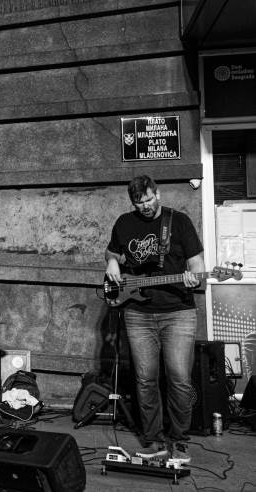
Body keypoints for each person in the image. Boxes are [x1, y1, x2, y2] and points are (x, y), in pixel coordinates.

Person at [105, 175, 204, 463]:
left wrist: (192, 278)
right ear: (132, 201)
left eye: (149, 199)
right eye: (139, 202)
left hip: (178, 312)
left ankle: (179, 440)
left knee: (179, 379)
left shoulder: (179, 222)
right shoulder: (124, 223)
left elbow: (197, 266)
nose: (146, 206)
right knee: (146, 379)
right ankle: (153, 439)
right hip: (137, 313)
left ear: (157, 194)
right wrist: (112, 261)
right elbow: (112, 253)